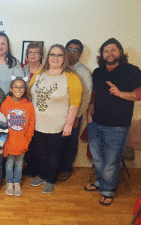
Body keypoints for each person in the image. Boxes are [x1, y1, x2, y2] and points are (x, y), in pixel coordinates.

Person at [85, 38, 141, 206]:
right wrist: (89, 114)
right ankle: (101, 182)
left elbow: (139, 93)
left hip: (118, 126)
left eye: (113, 50)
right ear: (102, 54)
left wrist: (120, 93)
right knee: (97, 158)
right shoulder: (98, 72)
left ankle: (108, 190)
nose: (110, 53)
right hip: (95, 123)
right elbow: (94, 94)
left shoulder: (131, 70)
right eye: (106, 50)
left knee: (111, 160)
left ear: (120, 52)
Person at [29, 44, 82, 194]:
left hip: (58, 125)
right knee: (41, 153)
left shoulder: (71, 76)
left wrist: (69, 124)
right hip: (37, 124)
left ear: (64, 58)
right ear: (48, 57)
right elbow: (29, 93)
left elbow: (75, 102)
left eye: (59, 55)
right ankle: (42, 175)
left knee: (54, 154)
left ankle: (51, 180)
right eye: (53, 55)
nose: (55, 58)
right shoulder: (40, 72)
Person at [57, 39, 92, 181]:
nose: (72, 52)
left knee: (70, 143)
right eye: (69, 49)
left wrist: (76, 117)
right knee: (58, 142)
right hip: (58, 114)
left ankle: (66, 169)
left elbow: (86, 96)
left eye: (76, 50)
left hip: (74, 115)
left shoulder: (83, 71)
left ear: (80, 53)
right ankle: (57, 167)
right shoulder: (60, 68)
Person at [0, 78, 35, 197]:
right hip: (9, 141)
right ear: (11, 89)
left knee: (19, 163)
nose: (18, 89)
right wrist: (4, 141)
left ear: (24, 89)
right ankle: (9, 183)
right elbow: (2, 124)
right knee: (9, 163)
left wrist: (27, 140)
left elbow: (31, 124)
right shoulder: (5, 104)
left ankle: (17, 183)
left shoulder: (29, 105)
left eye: (21, 87)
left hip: (22, 141)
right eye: (16, 87)